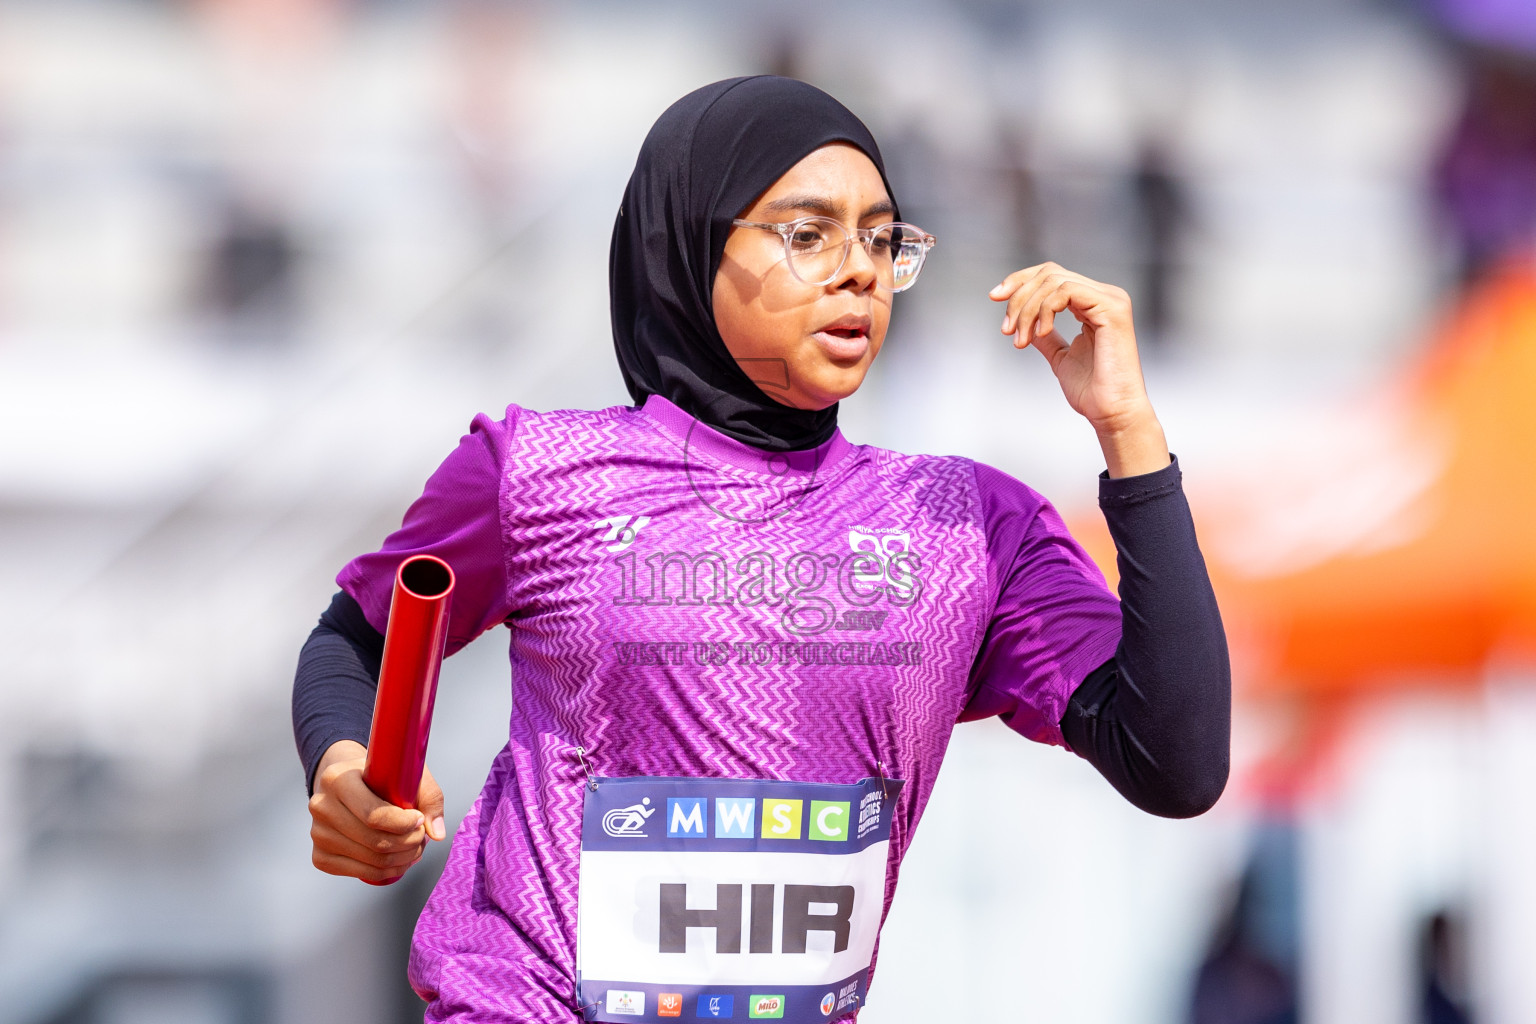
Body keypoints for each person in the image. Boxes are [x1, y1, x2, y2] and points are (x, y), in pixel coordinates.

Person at [292, 76, 1229, 1023]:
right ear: (691, 246)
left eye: (880, 237)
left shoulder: (966, 524)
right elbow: (350, 640)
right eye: (808, 234)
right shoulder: (535, 471)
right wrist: (342, 764)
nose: (859, 269)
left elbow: (1175, 761)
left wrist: (1128, 429)